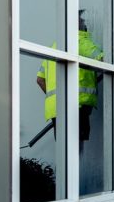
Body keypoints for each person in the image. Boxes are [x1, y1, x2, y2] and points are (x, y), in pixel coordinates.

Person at [36, 13, 103, 144]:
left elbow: (40, 80)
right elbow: (104, 61)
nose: (85, 23)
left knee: (65, 147)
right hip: (77, 105)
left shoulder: (54, 47)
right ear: (75, 24)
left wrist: (59, 98)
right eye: (82, 20)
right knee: (77, 145)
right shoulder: (80, 41)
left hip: (56, 108)